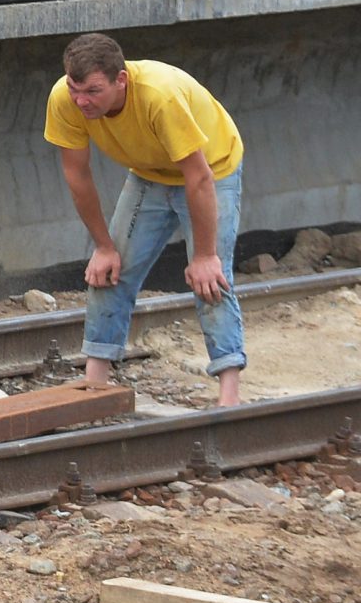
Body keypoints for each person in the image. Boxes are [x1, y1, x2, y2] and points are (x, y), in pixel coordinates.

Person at [46, 31, 248, 405]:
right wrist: (104, 246)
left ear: (120, 80)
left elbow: (198, 176)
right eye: (75, 88)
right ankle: (95, 389)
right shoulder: (65, 99)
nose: (81, 100)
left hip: (212, 172)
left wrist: (204, 256)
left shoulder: (159, 95)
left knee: (211, 280)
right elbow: (77, 175)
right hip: (149, 174)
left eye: (92, 91)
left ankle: (229, 398)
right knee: (108, 272)